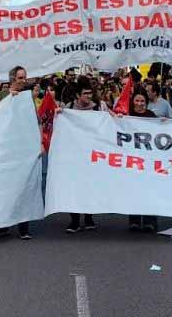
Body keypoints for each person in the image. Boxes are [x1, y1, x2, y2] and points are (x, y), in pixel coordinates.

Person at [0, 66, 32, 240]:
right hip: (7, 146)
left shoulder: (28, 96)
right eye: (20, 77)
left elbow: (34, 119)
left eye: (24, 77)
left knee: (26, 185)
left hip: (24, 146)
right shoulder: (2, 95)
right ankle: (3, 224)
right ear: (12, 78)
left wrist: (38, 143)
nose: (23, 80)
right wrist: (8, 101)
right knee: (5, 187)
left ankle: (24, 226)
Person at [64, 82, 101, 233]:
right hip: (74, 154)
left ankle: (89, 217)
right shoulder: (69, 108)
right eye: (85, 93)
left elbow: (110, 121)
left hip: (92, 154)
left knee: (90, 186)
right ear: (78, 95)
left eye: (90, 93)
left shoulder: (98, 107)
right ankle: (74, 220)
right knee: (74, 186)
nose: (88, 96)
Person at [126, 89, 160, 233]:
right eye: (137, 101)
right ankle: (134, 220)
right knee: (134, 190)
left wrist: (164, 123)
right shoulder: (127, 115)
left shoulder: (151, 116)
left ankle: (150, 221)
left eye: (142, 102)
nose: (140, 104)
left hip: (148, 160)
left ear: (146, 103)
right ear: (132, 102)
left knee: (149, 190)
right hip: (132, 159)